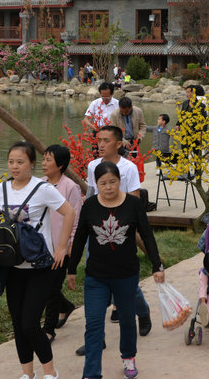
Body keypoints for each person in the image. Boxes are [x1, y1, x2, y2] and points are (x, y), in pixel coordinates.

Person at [0, 141, 75, 379]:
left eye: (20, 162)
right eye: (11, 162)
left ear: (32, 164)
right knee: (18, 324)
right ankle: (27, 374)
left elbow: (69, 212)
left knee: (29, 324)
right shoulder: (2, 188)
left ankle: (50, 372)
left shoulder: (42, 188)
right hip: (13, 267)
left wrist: (62, 247)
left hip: (39, 267)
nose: (14, 166)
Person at [69, 160, 165, 379]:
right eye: (103, 183)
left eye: (113, 182)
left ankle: (129, 357)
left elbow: (147, 235)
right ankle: (91, 373)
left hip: (126, 274)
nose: (108, 187)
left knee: (127, 319)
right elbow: (80, 238)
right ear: (96, 184)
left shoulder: (133, 204)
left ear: (120, 181)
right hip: (96, 276)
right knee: (93, 324)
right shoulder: (90, 205)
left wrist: (157, 265)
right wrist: (71, 269)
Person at [40, 144, 83, 342]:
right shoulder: (40, 184)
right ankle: (65, 306)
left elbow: (76, 217)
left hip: (61, 246)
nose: (43, 163)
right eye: (43, 159)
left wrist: (71, 243)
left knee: (51, 287)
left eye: (48, 160)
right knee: (48, 286)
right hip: (42, 246)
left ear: (60, 165)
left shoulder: (70, 187)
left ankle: (49, 329)